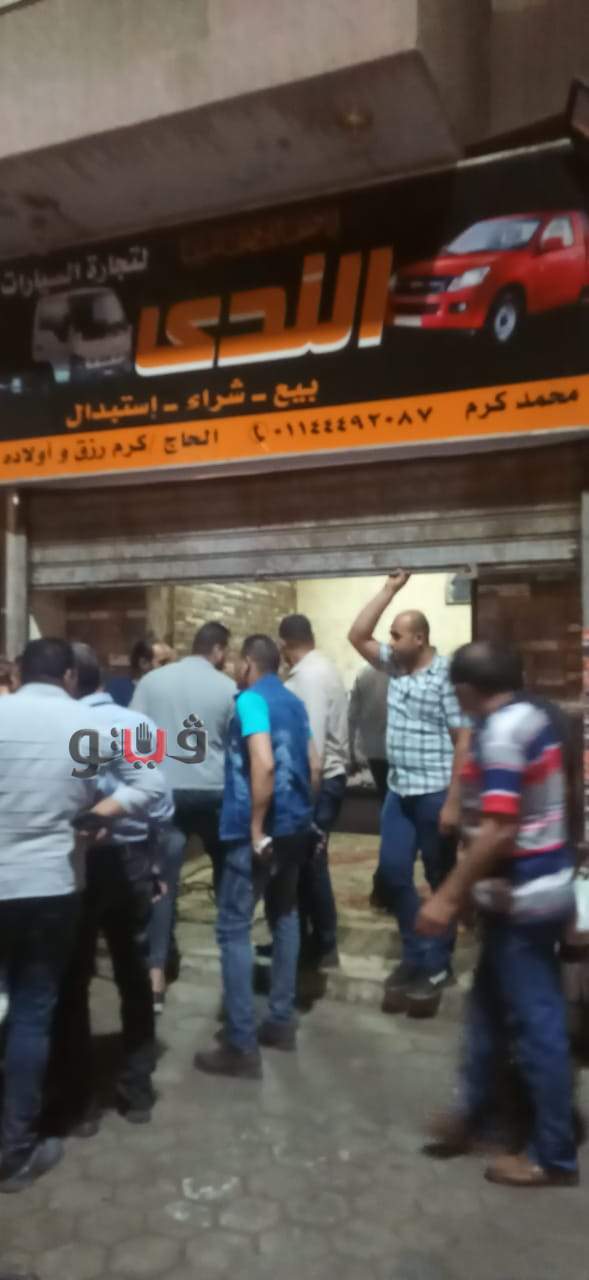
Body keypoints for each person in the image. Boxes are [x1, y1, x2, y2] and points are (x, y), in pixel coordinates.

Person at [0, 638, 165, 1193]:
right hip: (52, 884)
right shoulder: (86, 726)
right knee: (34, 1009)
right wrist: (100, 812)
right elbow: (151, 785)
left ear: (18, 672)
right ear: (70, 676)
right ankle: (15, 1147)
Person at [417, 641, 578, 1188]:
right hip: (528, 892)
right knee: (486, 1013)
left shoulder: (505, 733)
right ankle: (474, 1114)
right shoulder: (535, 715)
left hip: (523, 899)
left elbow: (500, 829)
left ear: (465, 689)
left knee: (537, 1025)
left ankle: (553, 1154)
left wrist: (447, 896)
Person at [50, 643, 174, 1134]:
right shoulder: (135, 723)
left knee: (74, 977)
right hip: (131, 861)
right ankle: (136, 1087)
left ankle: (78, 1101)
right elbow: (160, 805)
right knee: (133, 972)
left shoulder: (57, 726)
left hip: (75, 862)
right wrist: (156, 863)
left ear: (67, 679)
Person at [195, 635, 320, 1079]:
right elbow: (315, 764)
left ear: (249, 663)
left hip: (257, 833)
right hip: (294, 829)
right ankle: (281, 1021)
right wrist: (303, 816)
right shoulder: (294, 702)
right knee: (284, 916)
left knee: (233, 928)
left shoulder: (250, 701)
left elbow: (263, 763)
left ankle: (240, 1043)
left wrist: (255, 828)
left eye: (237, 662)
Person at [348, 571, 470, 1016]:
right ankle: (417, 954)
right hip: (399, 791)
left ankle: (437, 964)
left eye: (397, 635)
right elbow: (357, 635)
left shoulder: (446, 676)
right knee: (394, 873)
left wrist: (454, 801)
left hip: (435, 792)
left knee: (440, 877)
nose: (390, 641)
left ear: (419, 638)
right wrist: (389, 590)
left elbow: (464, 740)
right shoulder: (394, 665)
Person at [131, 621, 235, 1009]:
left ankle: (155, 976)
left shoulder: (152, 682)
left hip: (167, 791)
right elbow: (237, 745)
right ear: (219, 650)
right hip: (213, 791)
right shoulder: (228, 687)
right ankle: (232, 970)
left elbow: (134, 737)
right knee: (227, 875)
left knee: (163, 883)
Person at [278, 614, 348, 968]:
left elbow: (313, 748)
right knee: (307, 862)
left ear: (284, 645)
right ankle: (308, 940)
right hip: (325, 778)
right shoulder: (323, 667)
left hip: (318, 780)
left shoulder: (308, 677)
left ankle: (323, 942)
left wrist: (306, 797)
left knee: (311, 860)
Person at [348, 663, 389, 802]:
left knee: (384, 797)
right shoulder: (405, 672)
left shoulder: (364, 674)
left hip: (373, 750)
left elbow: (352, 716)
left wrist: (350, 754)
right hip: (400, 751)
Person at [106, 638, 155, 708]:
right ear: (143, 663)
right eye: (163, 662)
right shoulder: (117, 689)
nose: (168, 666)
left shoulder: (165, 689)